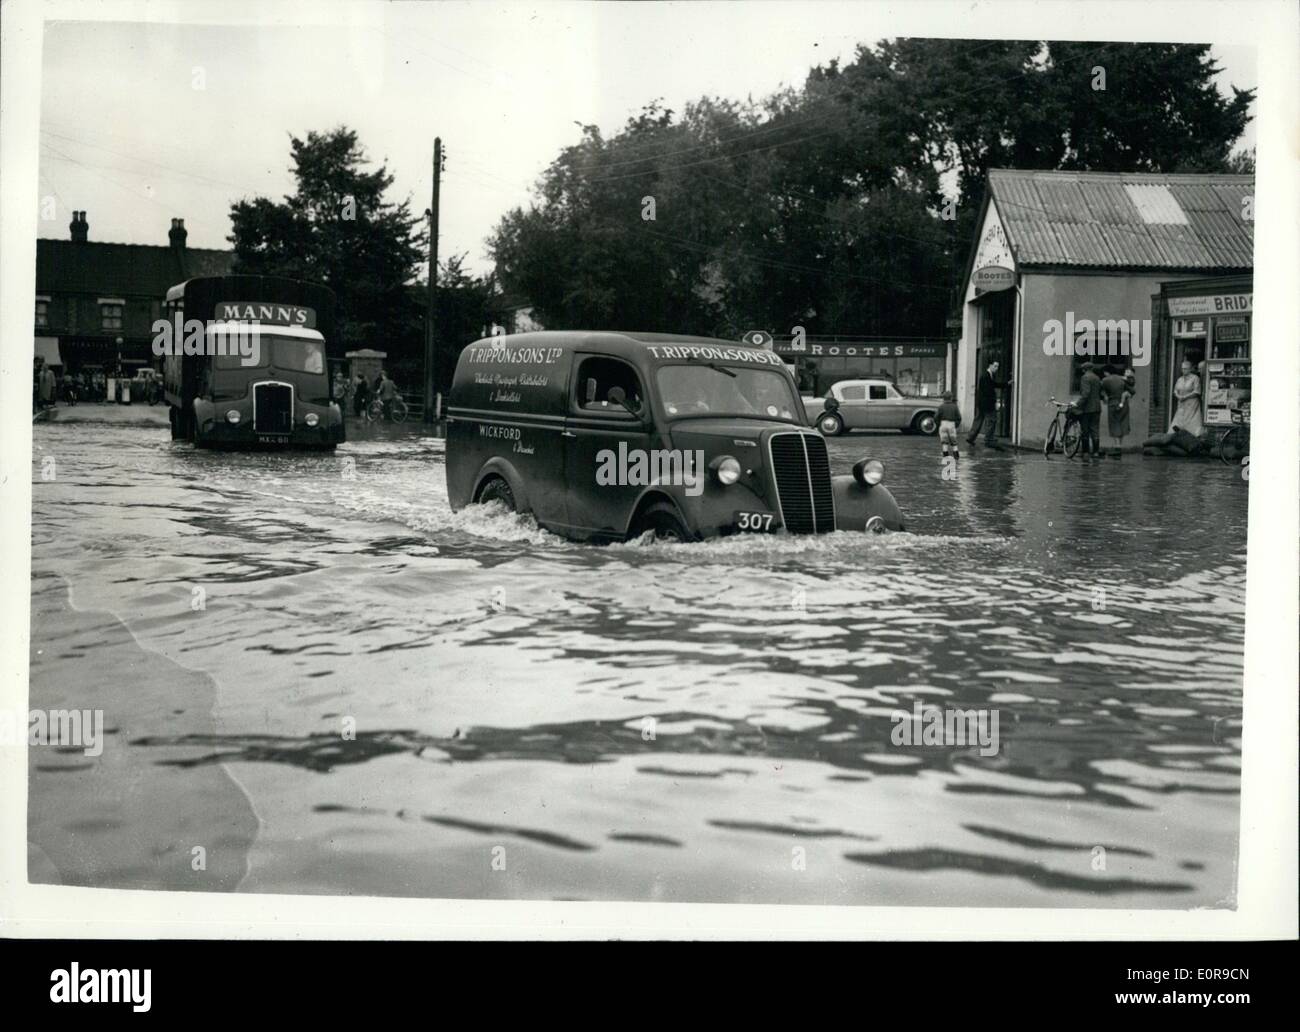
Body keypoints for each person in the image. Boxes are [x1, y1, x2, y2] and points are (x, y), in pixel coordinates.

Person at [966, 359, 1009, 449]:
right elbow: (989, 389)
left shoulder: (988, 375)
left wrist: (1005, 384)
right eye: (995, 366)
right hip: (987, 404)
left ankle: (971, 437)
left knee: (978, 420)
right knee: (991, 421)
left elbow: (993, 385)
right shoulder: (986, 376)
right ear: (990, 365)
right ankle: (988, 439)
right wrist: (993, 401)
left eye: (997, 366)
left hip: (981, 403)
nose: (996, 368)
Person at [1099, 364, 1130, 458]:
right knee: (1122, 423)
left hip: (1113, 403)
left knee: (1114, 424)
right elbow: (1131, 390)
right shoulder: (1123, 379)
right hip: (1124, 403)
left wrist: (1104, 397)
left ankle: (1117, 447)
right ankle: (1119, 445)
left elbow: (1101, 391)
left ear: (1106, 372)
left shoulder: (1105, 380)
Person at [1076, 362, 1103, 460]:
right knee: (1095, 430)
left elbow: (1085, 394)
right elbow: (1100, 393)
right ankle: (1096, 452)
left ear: (1084, 369)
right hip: (1097, 407)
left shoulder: (1085, 378)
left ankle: (1086, 452)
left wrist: (1077, 404)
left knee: (1085, 430)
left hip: (1087, 408)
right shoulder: (1097, 378)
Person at [935, 391, 962, 464]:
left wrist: (939, 424)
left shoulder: (941, 406)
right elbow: (959, 417)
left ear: (943, 398)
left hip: (943, 424)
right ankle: (956, 457)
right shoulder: (955, 406)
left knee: (944, 442)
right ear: (951, 398)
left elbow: (936, 417)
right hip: (952, 424)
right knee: (954, 442)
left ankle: (945, 457)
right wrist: (956, 425)